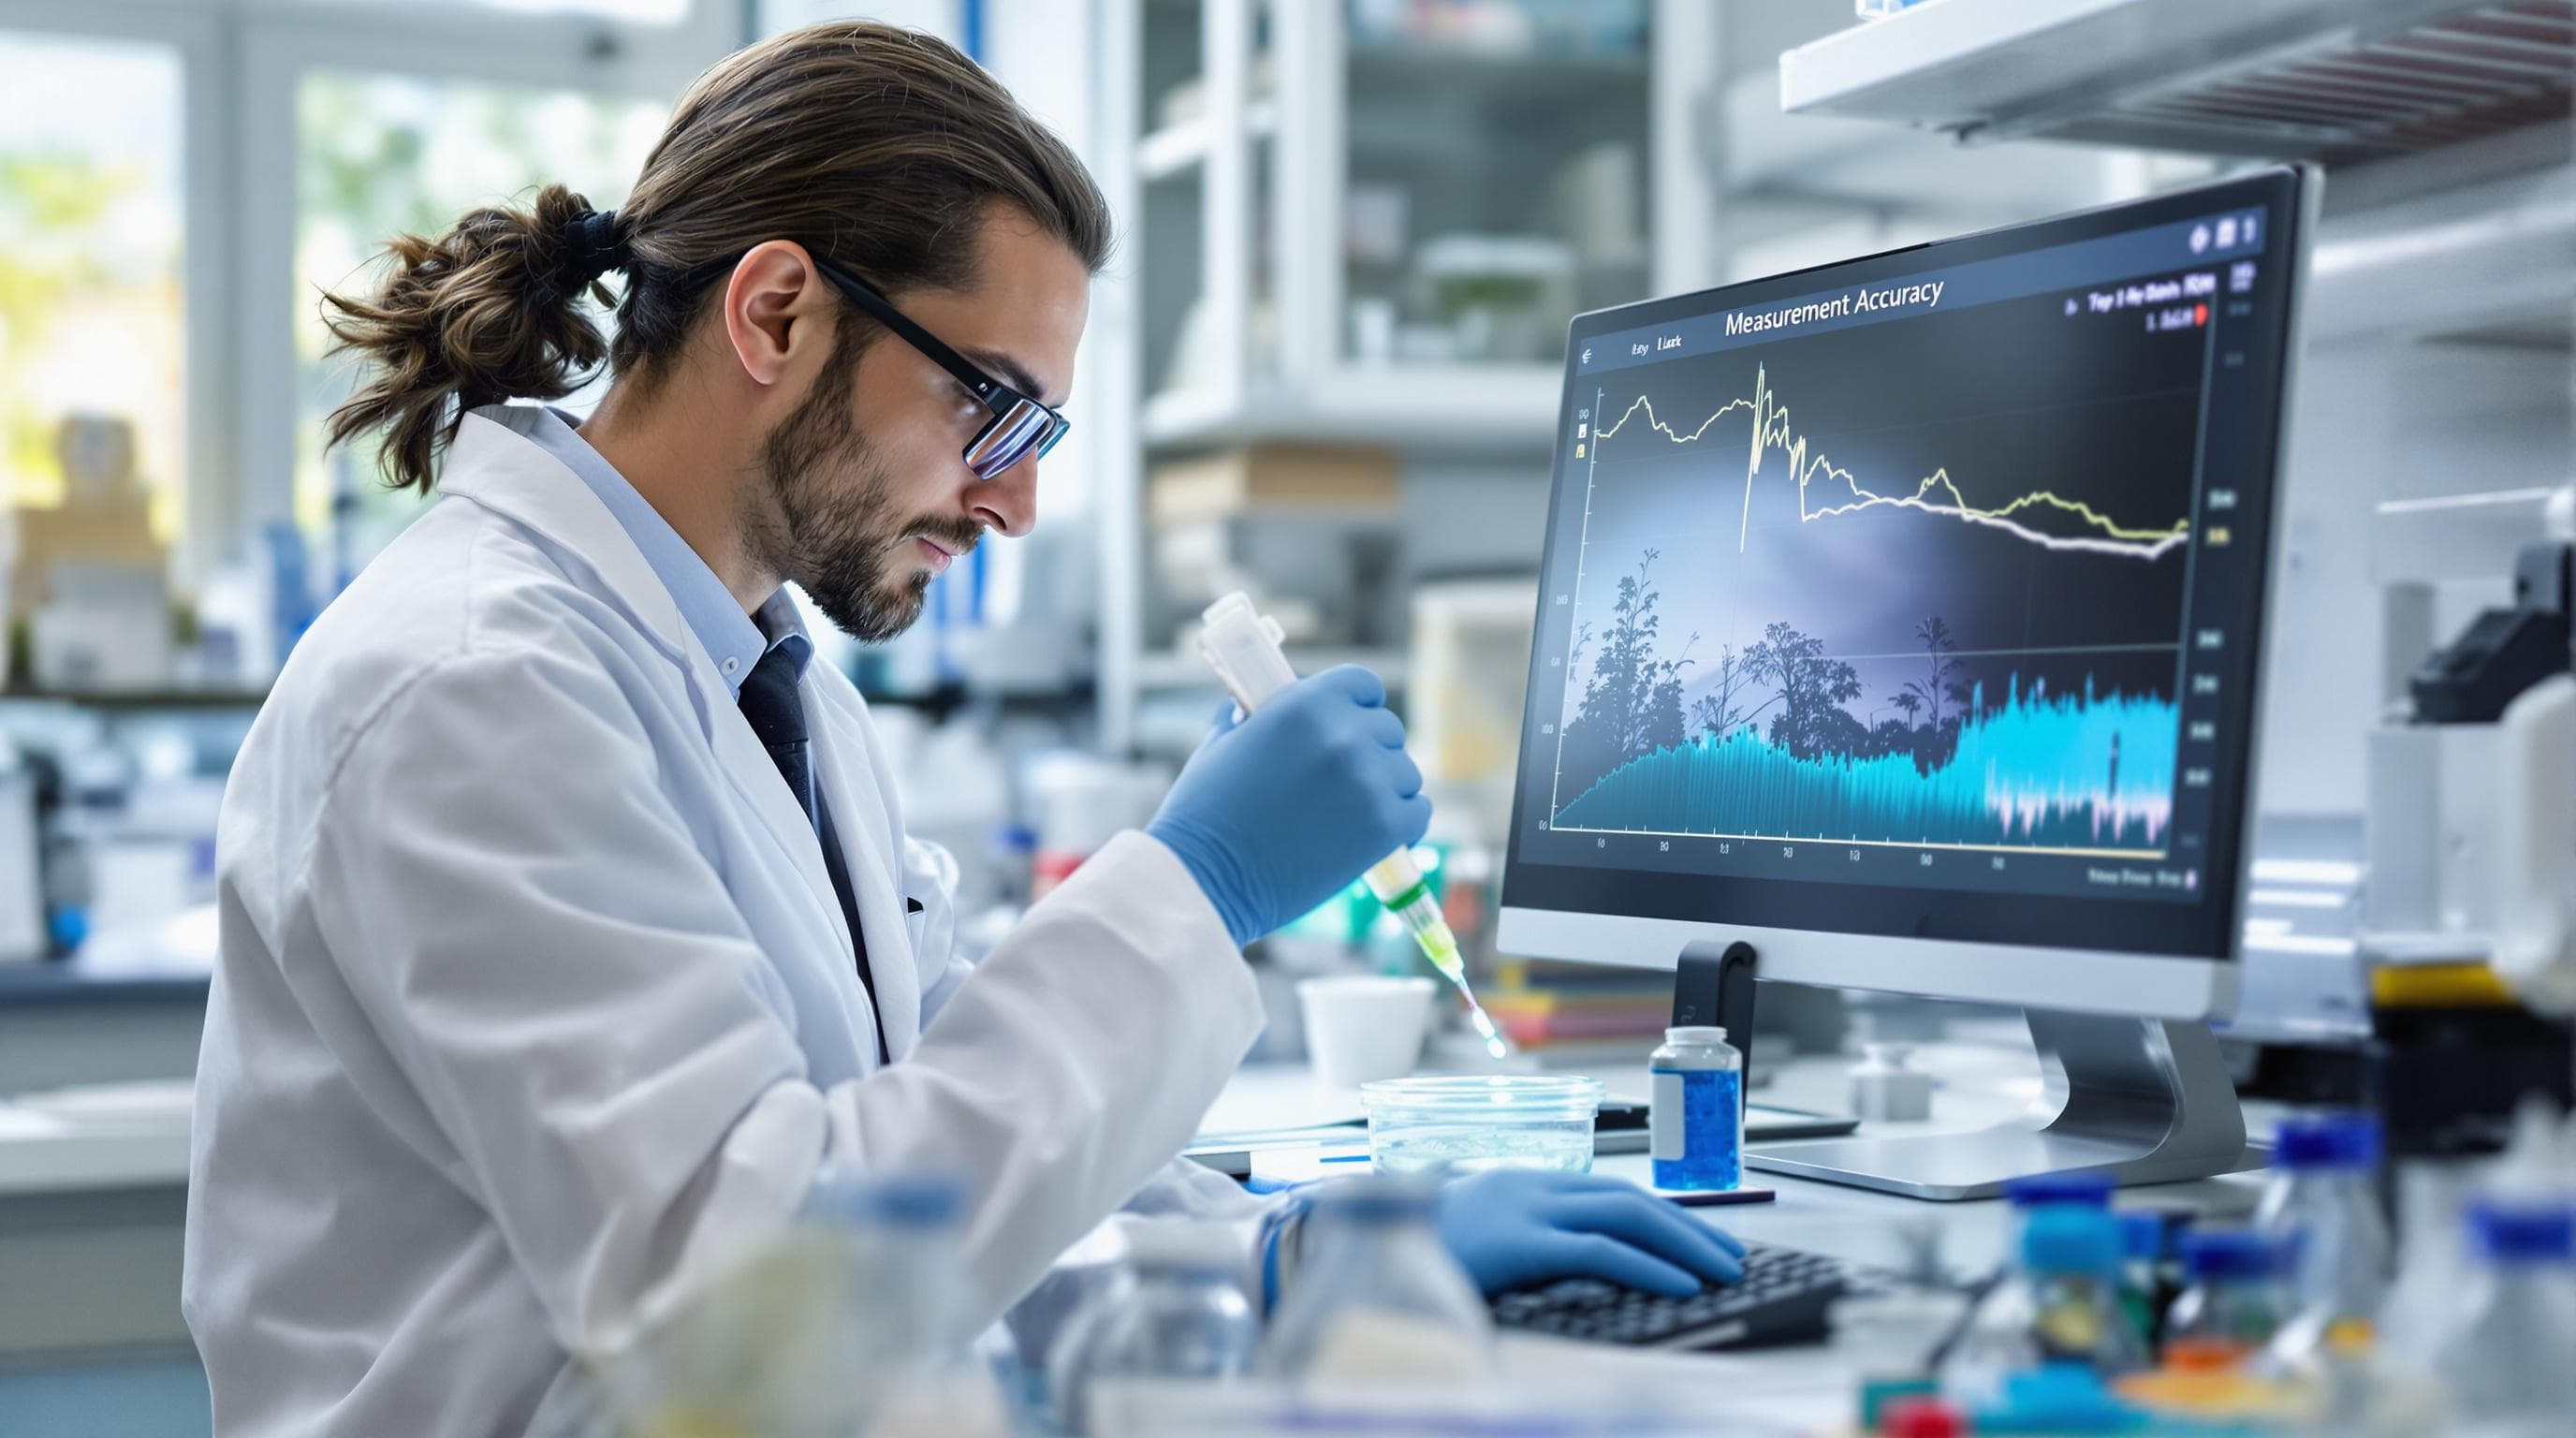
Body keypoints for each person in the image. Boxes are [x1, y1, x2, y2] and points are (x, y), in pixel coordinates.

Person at [183, 22, 1742, 1436]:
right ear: (778, 312)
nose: (1015, 498)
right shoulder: (473, 688)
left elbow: (929, 1191)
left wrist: (1282, 1255)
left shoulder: (759, 679)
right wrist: (1196, 885)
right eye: (989, 408)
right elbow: (747, 1294)